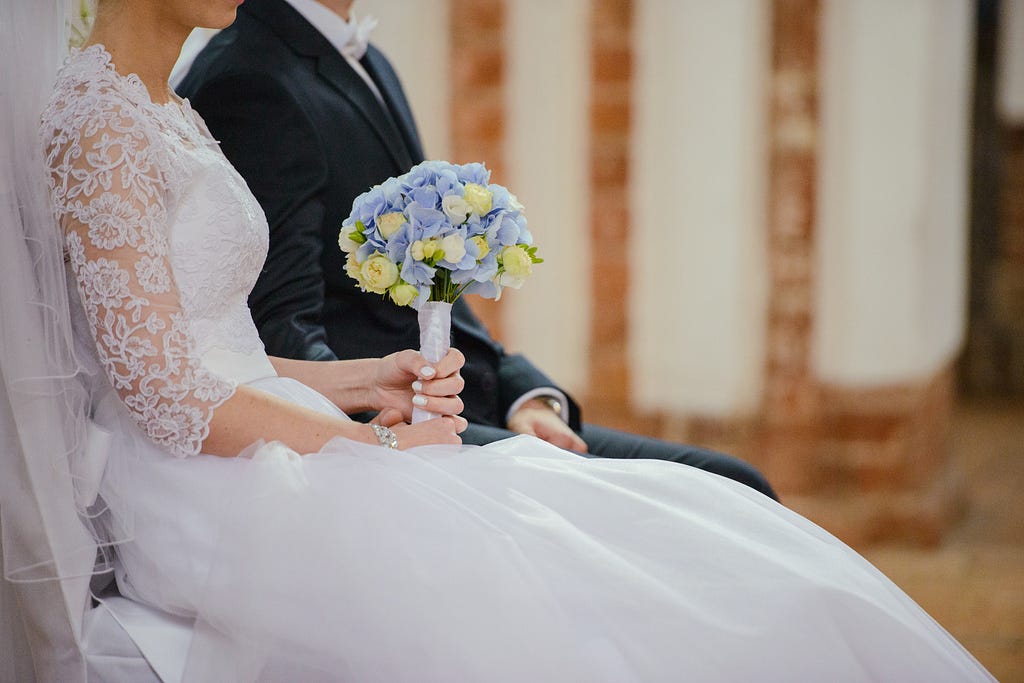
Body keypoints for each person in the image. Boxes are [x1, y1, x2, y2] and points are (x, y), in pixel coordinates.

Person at [6, 0, 995, 679]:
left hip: (270, 439)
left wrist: (368, 376)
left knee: (652, 514)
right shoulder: (94, 126)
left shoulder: (168, 109)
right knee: (530, 575)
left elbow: (220, 347)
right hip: (197, 494)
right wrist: (375, 443)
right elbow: (170, 395)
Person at [174, 0, 779, 500]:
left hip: (479, 409)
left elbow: (436, 288)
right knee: (716, 499)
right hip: (393, 433)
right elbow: (277, 327)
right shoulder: (250, 78)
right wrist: (386, 443)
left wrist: (524, 394)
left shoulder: (368, 61)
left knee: (736, 485)